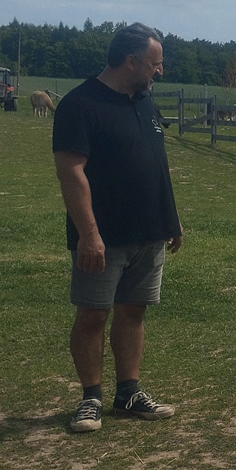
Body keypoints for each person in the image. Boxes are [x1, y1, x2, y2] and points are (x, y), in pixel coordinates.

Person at [52, 22, 182, 434]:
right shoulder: (80, 104)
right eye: (155, 63)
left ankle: (128, 392)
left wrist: (170, 217)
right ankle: (90, 398)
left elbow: (156, 163)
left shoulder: (144, 101)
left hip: (150, 231)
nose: (160, 71)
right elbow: (71, 172)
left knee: (134, 311)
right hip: (103, 237)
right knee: (93, 315)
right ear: (131, 61)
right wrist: (89, 235)